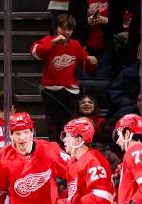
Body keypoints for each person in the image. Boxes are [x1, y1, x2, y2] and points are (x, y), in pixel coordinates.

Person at [31, 13, 98, 142]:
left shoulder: (76, 45)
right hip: (51, 90)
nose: (66, 32)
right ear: (57, 28)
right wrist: (52, 43)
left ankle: (66, 150)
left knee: (67, 124)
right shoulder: (48, 40)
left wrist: (92, 62)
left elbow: (87, 66)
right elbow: (35, 52)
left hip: (70, 91)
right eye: (63, 28)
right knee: (53, 125)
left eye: (69, 29)